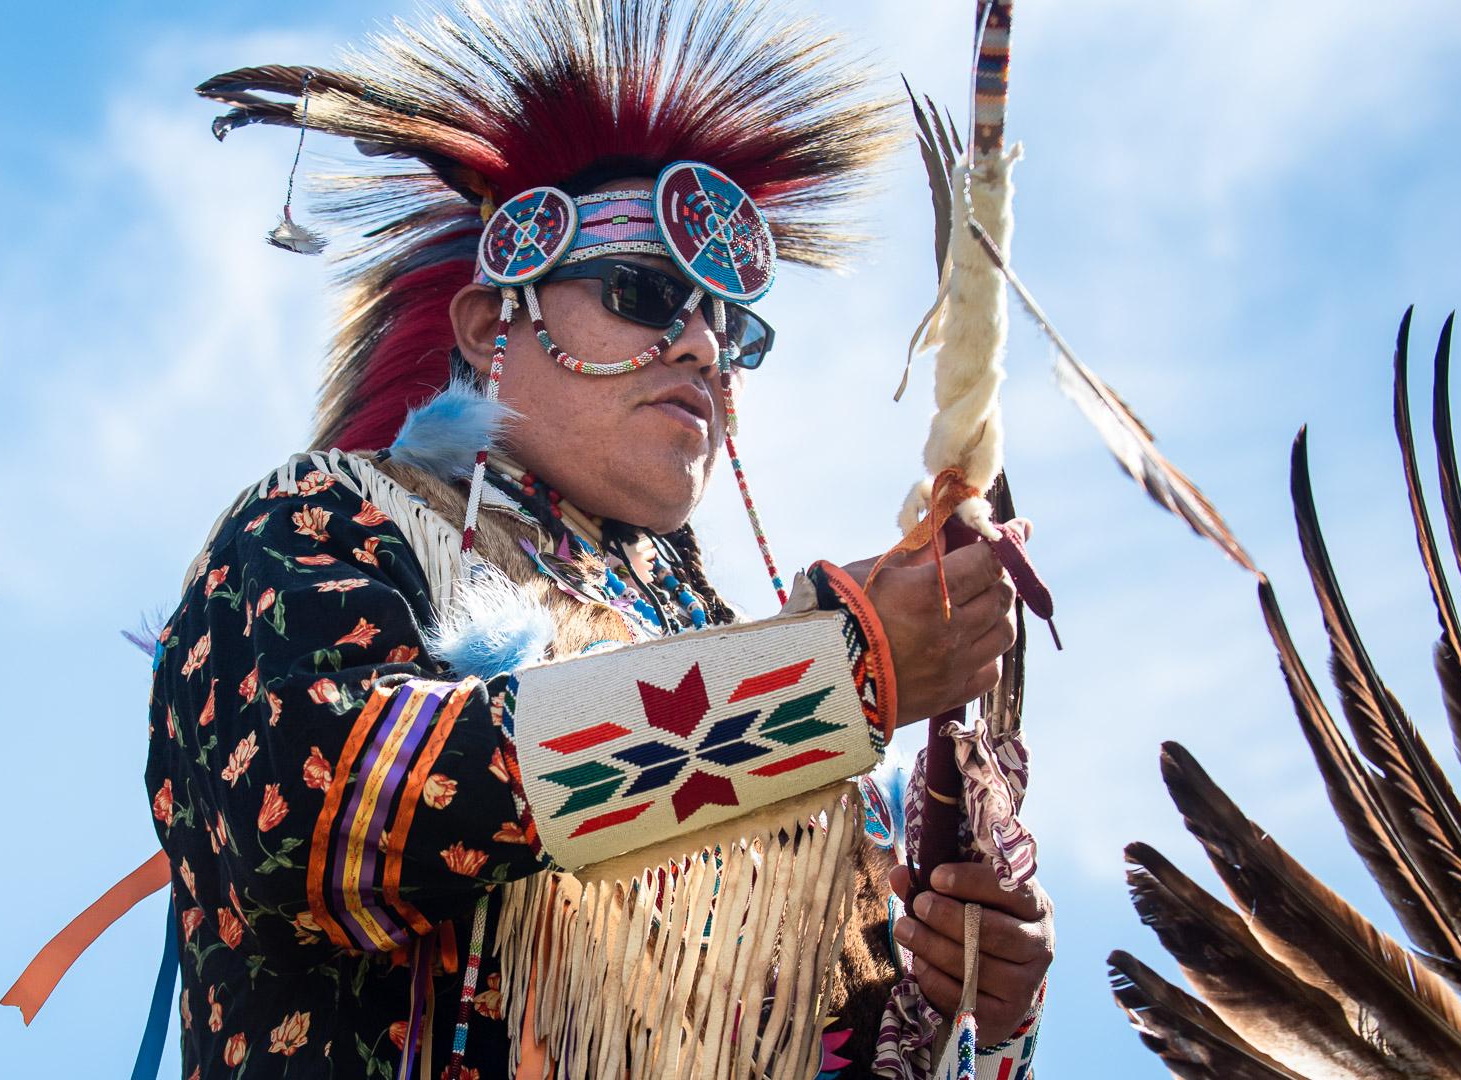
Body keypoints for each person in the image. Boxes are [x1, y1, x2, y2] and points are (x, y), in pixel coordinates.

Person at [141, 2, 1052, 1075]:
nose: (706, 344)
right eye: (645, 292)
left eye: (733, 324)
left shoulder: (789, 734)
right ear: (492, 326)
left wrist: (968, 1005)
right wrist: (824, 680)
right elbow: (325, 805)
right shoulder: (325, 521)